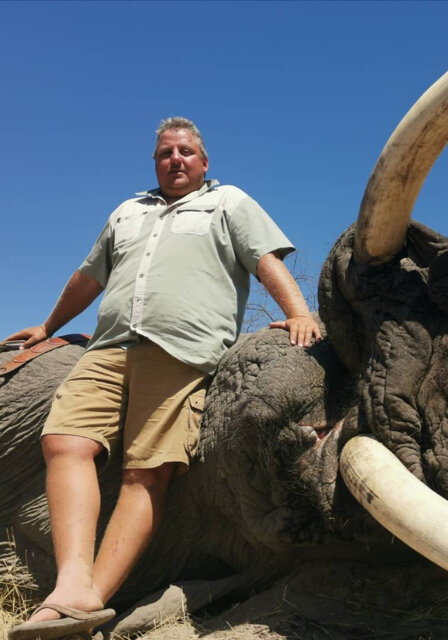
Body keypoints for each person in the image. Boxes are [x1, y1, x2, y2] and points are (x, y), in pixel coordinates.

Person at [4, 117, 321, 639]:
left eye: (185, 152)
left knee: (147, 469)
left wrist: (300, 311)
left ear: (203, 161)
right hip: (107, 348)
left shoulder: (230, 203)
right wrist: (47, 326)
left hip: (181, 351)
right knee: (64, 443)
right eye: (165, 153)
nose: (175, 159)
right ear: (155, 162)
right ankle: (73, 582)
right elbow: (88, 277)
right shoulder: (128, 211)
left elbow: (263, 259)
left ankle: (86, 602)